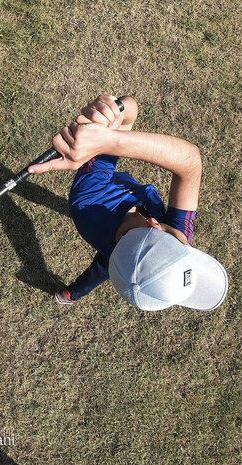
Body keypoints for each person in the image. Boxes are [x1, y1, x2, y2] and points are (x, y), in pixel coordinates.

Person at [28, 95, 228, 311]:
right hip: (118, 260)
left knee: (104, 265)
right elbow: (188, 165)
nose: (186, 242)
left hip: (100, 222)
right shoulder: (175, 241)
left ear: (154, 224)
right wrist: (114, 123)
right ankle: (71, 294)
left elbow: (188, 158)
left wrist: (113, 130)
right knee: (106, 266)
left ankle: (73, 293)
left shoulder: (88, 200)